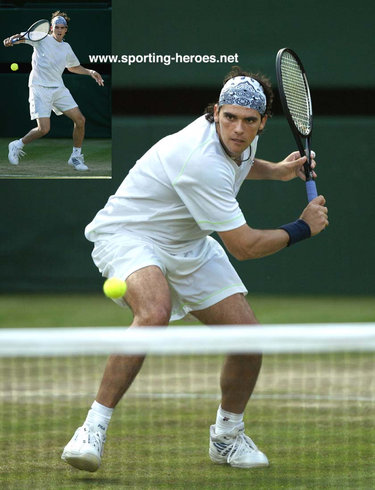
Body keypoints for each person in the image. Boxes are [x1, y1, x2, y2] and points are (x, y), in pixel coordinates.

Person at [61, 66, 329, 472]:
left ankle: (227, 437)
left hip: (188, 243)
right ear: (215, 111)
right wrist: (302, 228)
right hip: (131, 234)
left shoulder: (240, 141)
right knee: (154, 313)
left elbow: (240, 163)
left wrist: (276, 170)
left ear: (262, 124)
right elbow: (243, 247)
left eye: (248, 121)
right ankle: (90, 429)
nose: (237, 129)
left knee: (248, 340)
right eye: (229, 117)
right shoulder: (197, 158)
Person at [3, 11, 104, 171]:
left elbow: (72, 67)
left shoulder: (66, 47)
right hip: (39, 87)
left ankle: (75, 157)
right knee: (44, 129)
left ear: (66, 30)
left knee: (80, 120)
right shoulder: (40, 37)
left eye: (62, 27)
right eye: (56, 27)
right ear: (51, 28)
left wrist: (90, 72)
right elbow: (21, 36)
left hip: (58, 88)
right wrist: (10, 41)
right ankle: (17, 145)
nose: (59, 30)